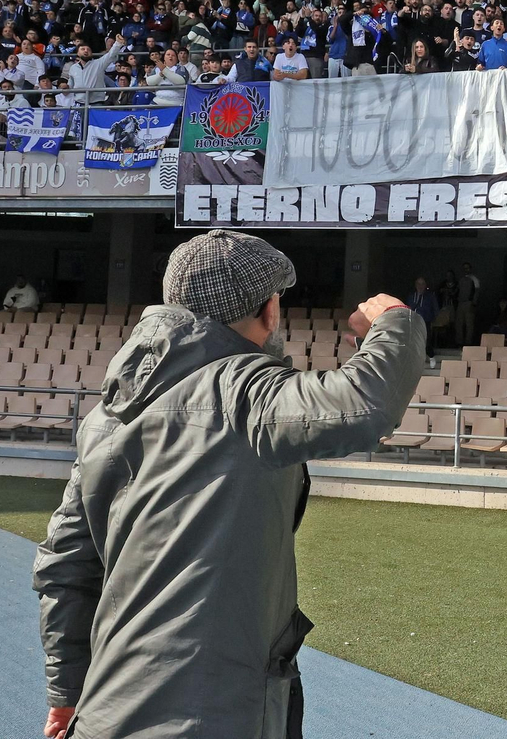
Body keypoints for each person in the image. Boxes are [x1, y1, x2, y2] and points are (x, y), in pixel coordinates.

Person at [33, 229, 423, 739]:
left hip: (104, 712)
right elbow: (364, 404)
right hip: (211, 715)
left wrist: (66, 693)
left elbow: (65, 567)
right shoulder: (243, 392)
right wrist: (394, 322)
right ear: (269, 311)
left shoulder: (106, 413)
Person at [407, 276, 439, 362]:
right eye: (418, 284)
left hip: (426, 320)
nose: (420, 286)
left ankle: (431, 356)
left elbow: (435, 308)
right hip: (413, 321)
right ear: (415, 285)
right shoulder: (411, 296)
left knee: (427, 339)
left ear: (425, 285)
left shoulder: (430, 296)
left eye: (422, 284)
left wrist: (434, 319)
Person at [456, 261, 480, 346]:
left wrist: (474, 303)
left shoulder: (474, 279)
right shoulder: (461, 279)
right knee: (459, 323)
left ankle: (468, 342)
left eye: (467, 268)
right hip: (460, 303)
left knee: (469, 324)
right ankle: (459, 342)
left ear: (470, 269)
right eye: (464, 268)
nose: (465, 270)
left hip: (469, 303)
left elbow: (477, 291)